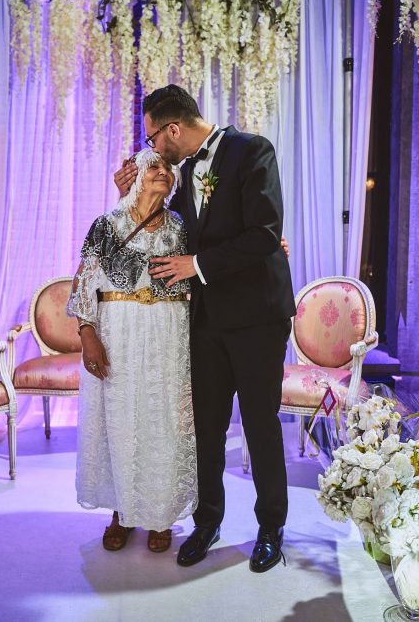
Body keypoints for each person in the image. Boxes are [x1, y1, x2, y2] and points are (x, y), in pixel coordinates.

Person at [113, 84, 295, 572]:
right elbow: (162, 234)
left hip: (257, 318)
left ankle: (270, 527)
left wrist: (199, 264)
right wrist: (125, 193)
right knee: (207, 429)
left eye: (154, 136)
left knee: (260, 426)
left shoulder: (252, 150)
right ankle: (207, 521)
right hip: (208, 320)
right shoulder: (186, 169)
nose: (152, 146)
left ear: (174, 128)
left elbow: (263, 233)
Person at [67, 150, 197, 554]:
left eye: (168, 169)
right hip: (118, 329)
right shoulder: (107, 224)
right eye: (154, 167)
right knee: (119, 419)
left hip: (169, 331)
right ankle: (121, 512)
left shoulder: (182, 227)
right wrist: (88, 333)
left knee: (164, 419)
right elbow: (84, 281)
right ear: (134, 175)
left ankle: (160, 514)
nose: (164, 174)